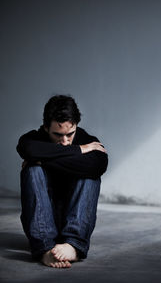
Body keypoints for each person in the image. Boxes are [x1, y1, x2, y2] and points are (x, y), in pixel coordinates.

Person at [16, 95, 108, 268]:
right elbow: (27, 148)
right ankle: (45, 249)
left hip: (75, 218)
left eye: (70, 134)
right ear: (45, 128)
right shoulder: (34, 139)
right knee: (32, 169)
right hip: (42, 220)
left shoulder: (88, 140)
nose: (65, 142)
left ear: (76, 126)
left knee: (90, 174)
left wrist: (43, 159)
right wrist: (79, 151)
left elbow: (98, 165)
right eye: (57, 135)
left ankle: (73, 244)